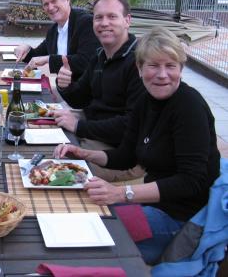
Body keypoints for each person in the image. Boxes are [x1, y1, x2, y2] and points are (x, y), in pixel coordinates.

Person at [54, 27, 221, 265]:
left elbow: (190, 181)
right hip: (153, 204)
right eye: (153, 65)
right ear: (140, 68)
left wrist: (121, 193)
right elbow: (126, 156)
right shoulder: (145, 100)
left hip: (181, 220)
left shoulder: (189, 106)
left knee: (89, 231)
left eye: (171, 66)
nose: (162, 74)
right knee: (73, 211)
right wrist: (83, 153)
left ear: (180, 69)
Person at [51, 0, 145, 181]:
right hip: (95, 133)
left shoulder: (140, 62)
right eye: (98, 17)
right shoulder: (100, 55)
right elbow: (80, 98)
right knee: (43, 132)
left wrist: (79, 126)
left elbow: (130, 125)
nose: (104, 23)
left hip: (121, 153)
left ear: (127, 20)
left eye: (112, 17)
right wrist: (65, 86)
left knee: (57, 171)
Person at [14, 0, 99, 80]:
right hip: (64, 90)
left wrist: (49, 59)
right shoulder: (53, 30)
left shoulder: (85, 22)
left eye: (54, 1)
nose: (50, 7)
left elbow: (85, 61)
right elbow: (37, 56)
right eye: (46, 4)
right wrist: (26, 48)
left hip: (84, 92)